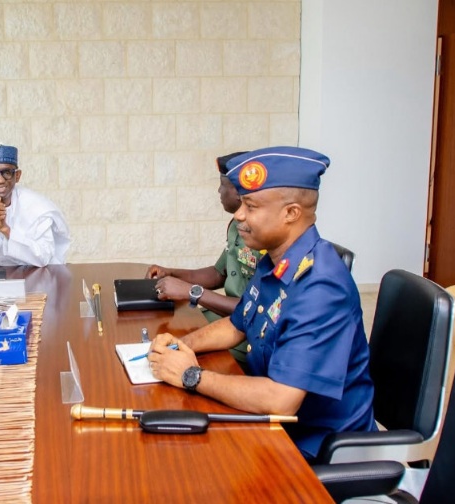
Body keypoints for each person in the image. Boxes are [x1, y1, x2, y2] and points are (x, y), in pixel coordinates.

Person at [145, 146, 376, 461]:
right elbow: (237, 325)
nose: (239, 214)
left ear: (291, 213)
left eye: (251, 206)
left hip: (314, 447)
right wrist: (180, 346)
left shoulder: (322, 286)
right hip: (272, 427)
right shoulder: (275, 261)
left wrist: (191, 375)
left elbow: (282, 399)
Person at [145, 151, 262, 366]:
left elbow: (251, 310)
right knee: (161, 334)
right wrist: (172, 273)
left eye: (222, 184)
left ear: (238, 192)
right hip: (225, 322)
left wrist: (191, 292)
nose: (218, 191)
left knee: (171, 358)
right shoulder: (236, 227)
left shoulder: (262, 238)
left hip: (243, 340)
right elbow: (218, 274)